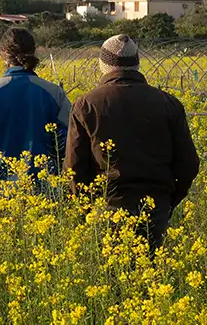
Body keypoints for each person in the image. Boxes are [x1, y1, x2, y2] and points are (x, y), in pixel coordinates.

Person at [65, 33, 200, 250]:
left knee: (112, 278)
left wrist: (87, 208)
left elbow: (74, 166)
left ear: (103, 65)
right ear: (137, 64)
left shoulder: (86, 104)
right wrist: (169, 200)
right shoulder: (168, 103)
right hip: (156, 206)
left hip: (108, 207)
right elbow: (188, 163)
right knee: (153, 278)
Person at [0, 27, 71, 183]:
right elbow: (68, 143)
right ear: (34, 51)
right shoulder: (54, 93)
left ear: (3, 54)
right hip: (44, 188)